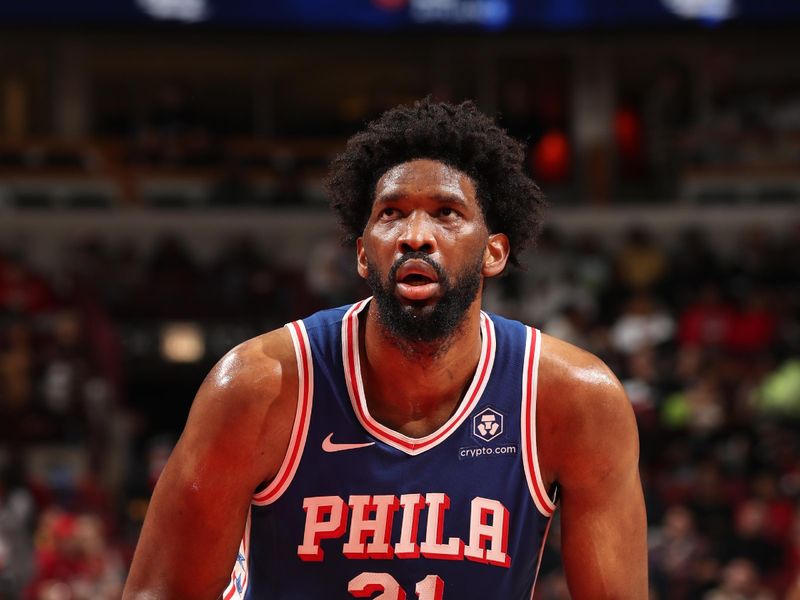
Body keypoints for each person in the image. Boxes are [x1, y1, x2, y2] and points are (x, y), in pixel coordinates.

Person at [122, 98, 647, 599]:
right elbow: (160, 591)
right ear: (362, 255)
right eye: (391, 213)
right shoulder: (260, 385)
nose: (414, 235)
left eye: (447, 212)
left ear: (494, 252)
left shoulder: (573, 400)